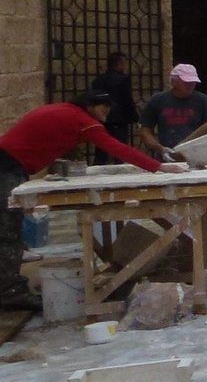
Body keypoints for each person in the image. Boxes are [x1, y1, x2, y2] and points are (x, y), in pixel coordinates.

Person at [0, 92, 188, 307]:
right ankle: (10, 293)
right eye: (102, 108)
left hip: (10, 161)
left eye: (108, 109)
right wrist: (159, 166)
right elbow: (116, 148)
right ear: (89, 106)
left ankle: (8, 288)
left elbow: (47, 137)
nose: (105, 113)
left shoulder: (64, 111)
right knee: (6, 230)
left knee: (7, 228)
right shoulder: (82, 120)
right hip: (6, 166)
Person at [138, 64, 207, 154]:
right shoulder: (158, 100)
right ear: (173, 82)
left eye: (193, 82)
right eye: (186, 82)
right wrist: (159, 148)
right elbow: (145, 129)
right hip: (166, 153)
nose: (190, 85)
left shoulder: (205, 101)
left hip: (197, 153)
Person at [86, 52, 139, 164]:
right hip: (119, 119)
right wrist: (134, 117)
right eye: (123, 63)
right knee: (120, 150)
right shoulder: (122, 79)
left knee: (101, 149)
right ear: (119, 63)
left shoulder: (97, 81)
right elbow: (127, 99)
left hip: (102, 119)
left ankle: (98, 169)